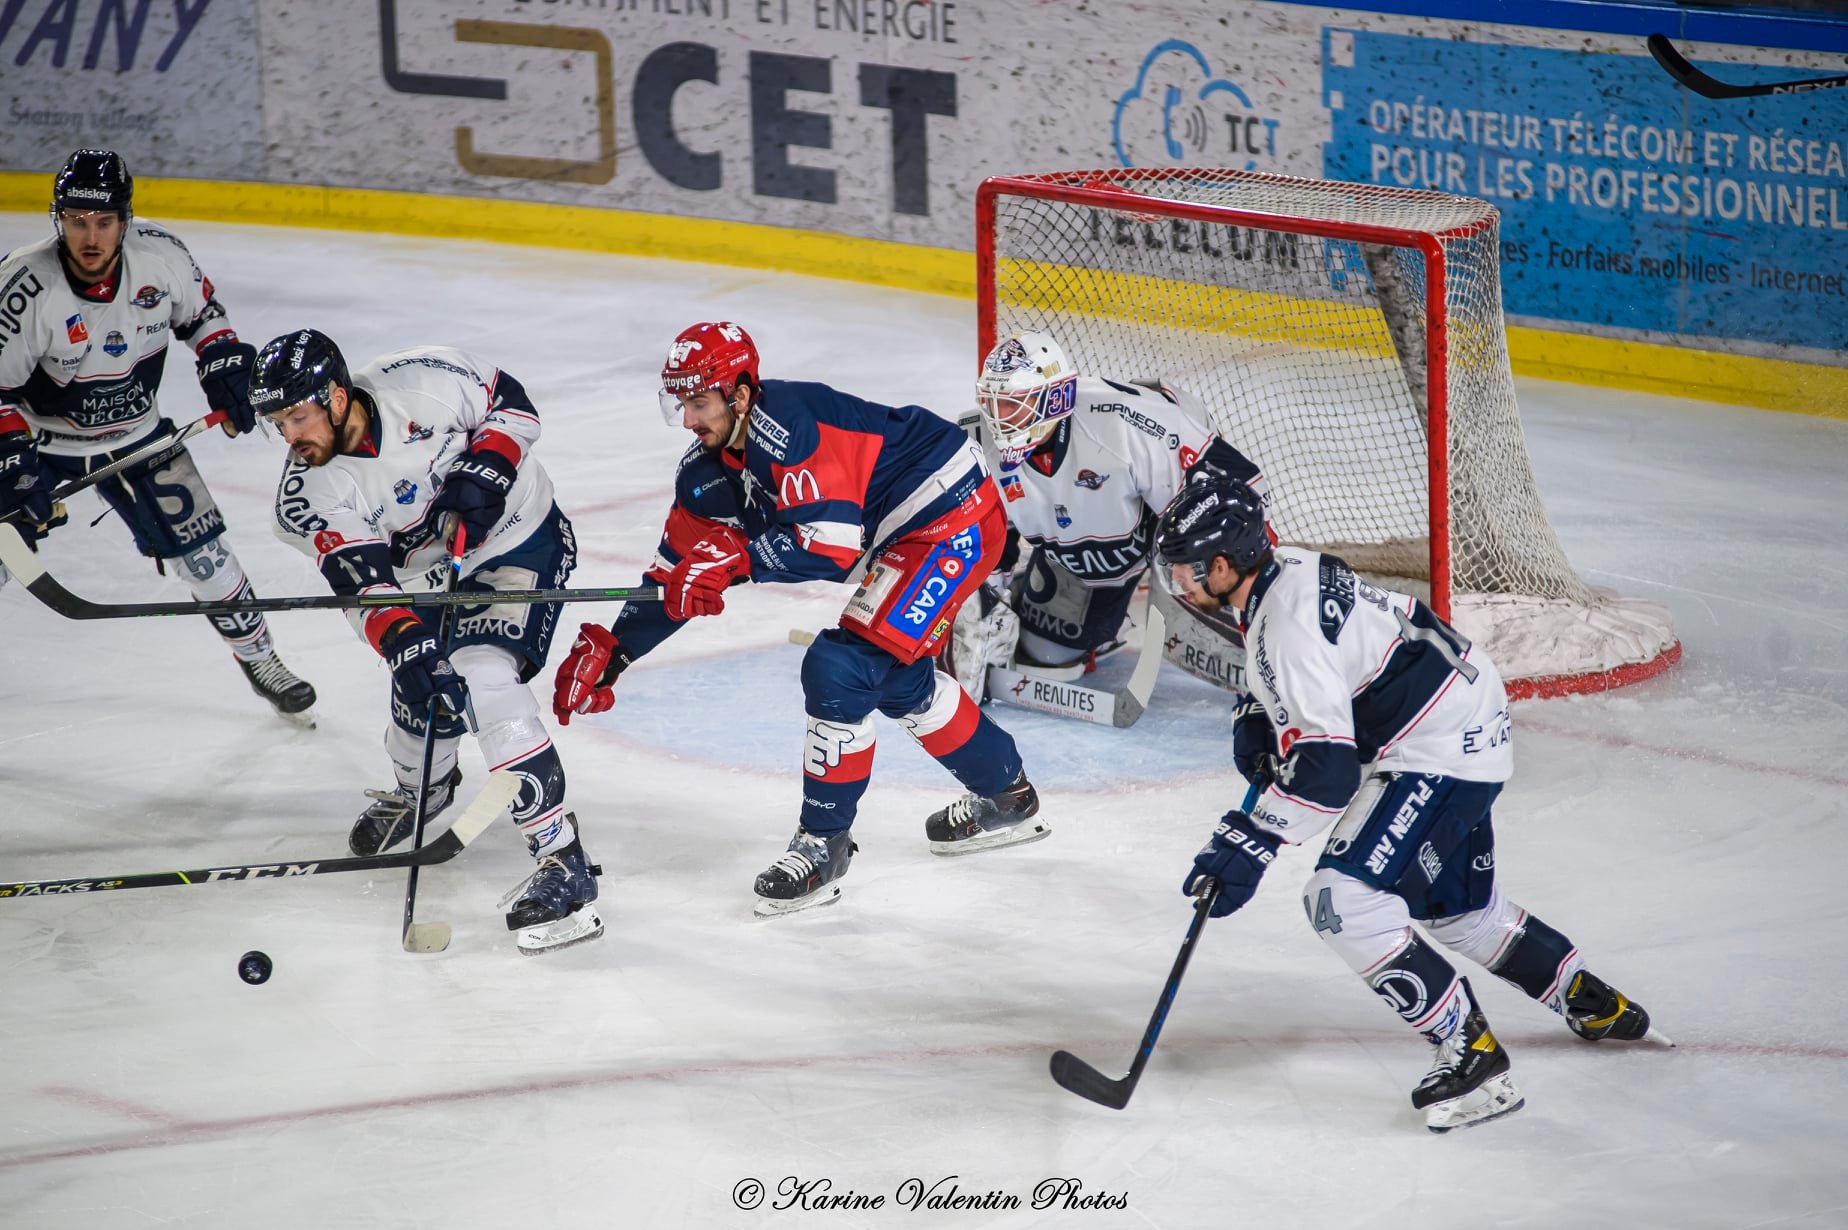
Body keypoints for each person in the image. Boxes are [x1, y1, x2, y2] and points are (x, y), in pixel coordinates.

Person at [1155, 475, 1665, 1133]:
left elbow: (1327, 776)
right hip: (1461, 712)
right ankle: (1584, 996)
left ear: (1222, 565)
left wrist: (1251, 841)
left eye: (1186, 573)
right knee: (1457, 911)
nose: (1181, 587)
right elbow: (1331, 663)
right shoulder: (1291, 567)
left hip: (1438, 744)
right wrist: (1260, 710)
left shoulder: (1282, 629)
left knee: (1341, 901)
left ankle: (1470, 1052)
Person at [552, 321, 1046, 916]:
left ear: (739, 392)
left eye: (700, 403)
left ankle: (825, 844)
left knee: (841, 668)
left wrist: (735, 560)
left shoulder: (790, 424)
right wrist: (617, 651)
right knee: (891, 676)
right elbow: (671, 577)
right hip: (898, 536)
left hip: (949, 519)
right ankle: (1007, 793)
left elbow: (826, 544)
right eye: (680, 404)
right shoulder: (707, 473)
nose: (688, 420)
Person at [251, 328, 600, 955]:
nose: (289, 436)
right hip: (419, 582)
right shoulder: (308, 495)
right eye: (277, 423)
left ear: (336, 396)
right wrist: (408, 646)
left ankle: (562, 860)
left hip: (520, 543)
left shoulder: (425, 380)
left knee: (481, 677)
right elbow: (366, 587)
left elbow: (513, 405)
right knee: (422, 700)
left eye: (296, 416)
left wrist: (489, 465)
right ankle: (425, 791)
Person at [0, 149, 314, 723]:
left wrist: (223, 363)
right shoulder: (23, 287)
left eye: (103, 221)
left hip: (141, 438)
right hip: (42, 443)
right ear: (57, 219)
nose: (90, 237)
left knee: (207, 555)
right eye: (76, 221)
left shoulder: (161, 256)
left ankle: (261, 658)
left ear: (125, 218)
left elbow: (203, 317)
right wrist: (11, 462)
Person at [946, 330, 1268, 702]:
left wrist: (1253, 582)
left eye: (1016, 403)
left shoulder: (1126, 424)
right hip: (1090, 552)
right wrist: (984, 603)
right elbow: (981, 537)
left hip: (1170, 523)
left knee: (1234, 650)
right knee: (1047, 657)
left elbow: (1243, 485)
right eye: (994, 403)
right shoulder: (973, 442)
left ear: (1056, 398)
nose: (1001, 419)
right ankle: (1083, 611)